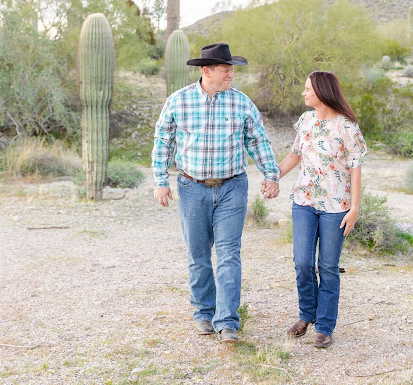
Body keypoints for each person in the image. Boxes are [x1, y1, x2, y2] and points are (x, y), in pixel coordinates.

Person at [152, 43, 280, 343]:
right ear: (207, 71)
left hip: (232, 187)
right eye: (226, 69)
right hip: (191, 186)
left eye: (232, 68)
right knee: (198, 255)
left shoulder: (241, 103)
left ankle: (227, 322)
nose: (231, 74)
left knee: (228, 254)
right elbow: (163, 142)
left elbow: (258, 140)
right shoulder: (178, 101)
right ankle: (203, 312)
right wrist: (160, 180)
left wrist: (271, 174)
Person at [262, 70, 366, 348]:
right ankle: (306, 314)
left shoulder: (347, 126)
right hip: (304, 202)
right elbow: (295, 154)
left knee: (328, 267)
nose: (304, 93)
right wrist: (274, 178)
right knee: (303, 263)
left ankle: (325, 326)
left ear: (322, 91)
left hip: (336, 207)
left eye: (308, 89)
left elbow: (356, 170)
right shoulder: (306, 121)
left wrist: (354, 208)